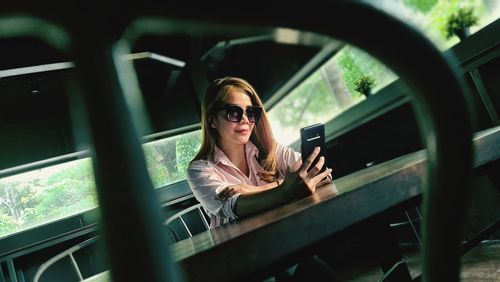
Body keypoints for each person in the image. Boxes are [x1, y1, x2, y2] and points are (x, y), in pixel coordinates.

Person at [186, 77, 341, 281]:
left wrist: (255, 189)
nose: (245, 120)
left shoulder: (270, 149)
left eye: (251, 112)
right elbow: (234, 207)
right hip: (241, 266)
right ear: (211, 120)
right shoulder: (199, 169)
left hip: (285, 247)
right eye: (233, 112)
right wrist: (286, 189)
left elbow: (323, 176)